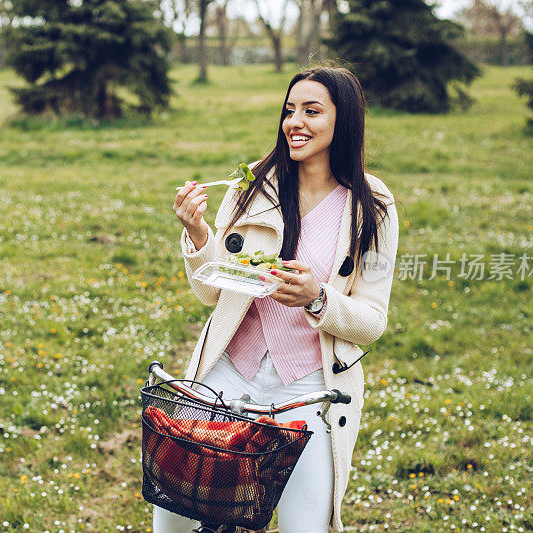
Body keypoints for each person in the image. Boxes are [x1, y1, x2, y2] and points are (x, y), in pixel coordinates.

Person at [159, 66, 399, 533]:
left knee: (303, 526)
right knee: (175, 513)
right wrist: (198, 234)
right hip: (226, 375)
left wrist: (318, 299)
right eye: (290, 110)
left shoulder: (374, 206)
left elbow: (372, 321)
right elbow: (211, 291)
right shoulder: (251, 186)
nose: (296, 122)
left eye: (312, 110)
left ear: (343, 120)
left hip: (306, 391)